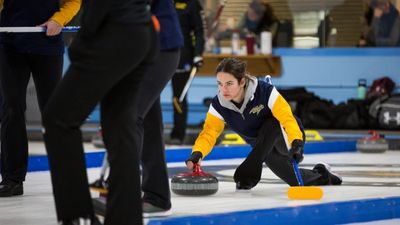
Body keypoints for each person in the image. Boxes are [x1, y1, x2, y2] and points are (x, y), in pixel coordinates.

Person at [42, 1, 158, 225]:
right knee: (120, 127)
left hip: (113, 31)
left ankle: (78, 215)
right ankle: (125, 219)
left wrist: (82, 44)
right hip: (142, 30)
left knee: (58, 119)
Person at [185, 58, 342, 190]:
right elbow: (209, 132)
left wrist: (297, 142)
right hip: (262, 147)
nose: (223, 89)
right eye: (219, 84)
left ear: (242, 81)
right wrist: (198, 153)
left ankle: (252, 166)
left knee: (271, 122)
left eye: (229, 83)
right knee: (294, 180)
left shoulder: (265, 92)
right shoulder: (218, 105)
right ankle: (322, 173)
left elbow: (287, 118)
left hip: (285, 135)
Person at [91, 0, 184, 218]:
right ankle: (156, 196)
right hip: (139, 48)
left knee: (128, 118)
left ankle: (124, 198)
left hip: (160, 47)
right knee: (146, 120)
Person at [0, 0, 80, 197]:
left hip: (47, 44)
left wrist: (58, 20)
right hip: (9, 45)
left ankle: (67, 178)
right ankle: (12, 179)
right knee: (11, 109)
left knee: (53, 113)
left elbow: (74, 1)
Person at [169, 0, 205, 145]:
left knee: (179, 97)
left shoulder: (192, 4)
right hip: (159, 53)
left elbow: (199, 30)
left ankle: (178, 134)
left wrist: (198, 54)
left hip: (182, 56)